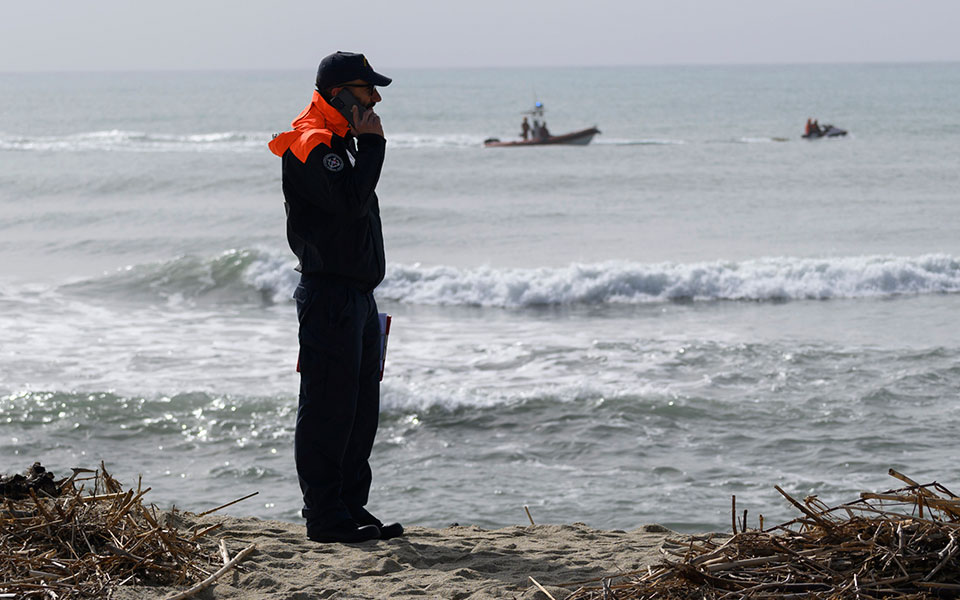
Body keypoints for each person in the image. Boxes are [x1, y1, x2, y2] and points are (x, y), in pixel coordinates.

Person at [268, 51, 403, 544]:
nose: (376, 99)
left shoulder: (341, 142)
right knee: (328, 407)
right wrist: (374, 147)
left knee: (360, 409)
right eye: (368, 90)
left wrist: (364, 145)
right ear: (341, 93)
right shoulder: (311, 142)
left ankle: (349, 507)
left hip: (358, 298)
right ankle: (324, 518)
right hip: (328, 297)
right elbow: (348, 203)